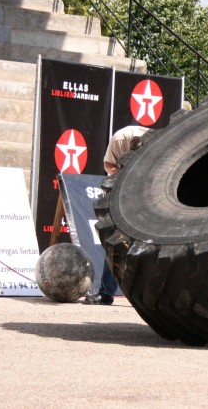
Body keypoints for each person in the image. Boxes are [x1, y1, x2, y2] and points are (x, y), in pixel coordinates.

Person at [85, 125, 149, 305]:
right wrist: (122, 177)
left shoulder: (160, 144)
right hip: (123, 192)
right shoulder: (121, 139)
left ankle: (148, 297)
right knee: (116, 240)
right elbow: (108, 164)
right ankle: (106, 292)